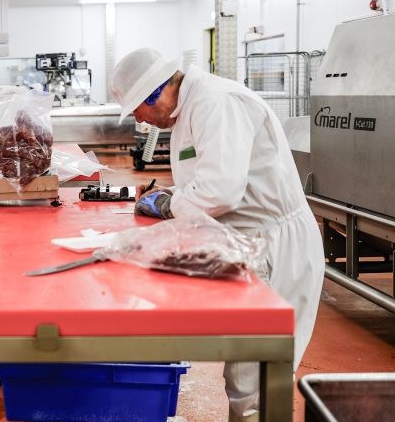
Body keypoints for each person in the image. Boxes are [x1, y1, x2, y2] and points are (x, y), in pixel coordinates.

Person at [110, 47, 325, 422]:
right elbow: (205, 180)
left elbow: (222, 191)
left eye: (138, 111)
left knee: (255, 381)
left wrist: (168, 205)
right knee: (247, 374)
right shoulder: (188, 110)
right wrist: (171, 195)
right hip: (245, 243)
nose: (141, 121)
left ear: (155, 92)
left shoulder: (215, 102)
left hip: (273, 245)